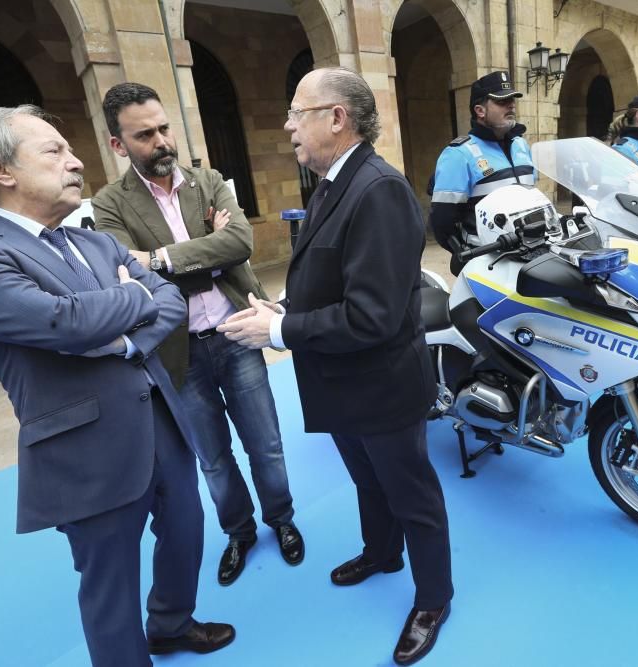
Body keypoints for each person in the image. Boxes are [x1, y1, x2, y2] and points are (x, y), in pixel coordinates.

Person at [0, 105, 233, 666]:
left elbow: (168, 301)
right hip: (87, 448)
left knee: (186, 532)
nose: (76, 162)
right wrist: (132, 298)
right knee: (110, 581)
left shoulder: (94, 242)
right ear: (0, 169)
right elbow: (61, 323)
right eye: (54, 151)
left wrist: (125, 334)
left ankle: (170, 622)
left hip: (160, 420)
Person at [218, 66, 454, 666]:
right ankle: (382, 553)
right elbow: (333, 277)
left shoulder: (378, 189)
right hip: (343, 382)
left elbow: (372, 315)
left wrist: (279, 329)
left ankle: (433, 598)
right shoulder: (331, 182)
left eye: (297, 112)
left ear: (336, 118)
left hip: (380, 385)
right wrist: (288, 305)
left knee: (412, 494)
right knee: (368, 481)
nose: (288, 125)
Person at [93, 83, 302, 587]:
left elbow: (240, 241)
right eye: (145, 135)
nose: (162, 141)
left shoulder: (207, 180)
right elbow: (126, 273)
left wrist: (162, 258)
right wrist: (208, 250)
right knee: (212, 458)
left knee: (266, 443)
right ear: (119, 145)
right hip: (175, 350)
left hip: (237, 332)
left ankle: (282, 519)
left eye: (165, 128)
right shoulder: (110, 204)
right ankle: (240, 532)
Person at [429, 70, 534, 271]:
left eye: (512, 100)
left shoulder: (521, 145)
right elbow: (442, 223)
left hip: (528, 256)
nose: (511, 105)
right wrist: (466, 253)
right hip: (488, 263)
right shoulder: (459, 154)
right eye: (502, 101)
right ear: (480, 111)